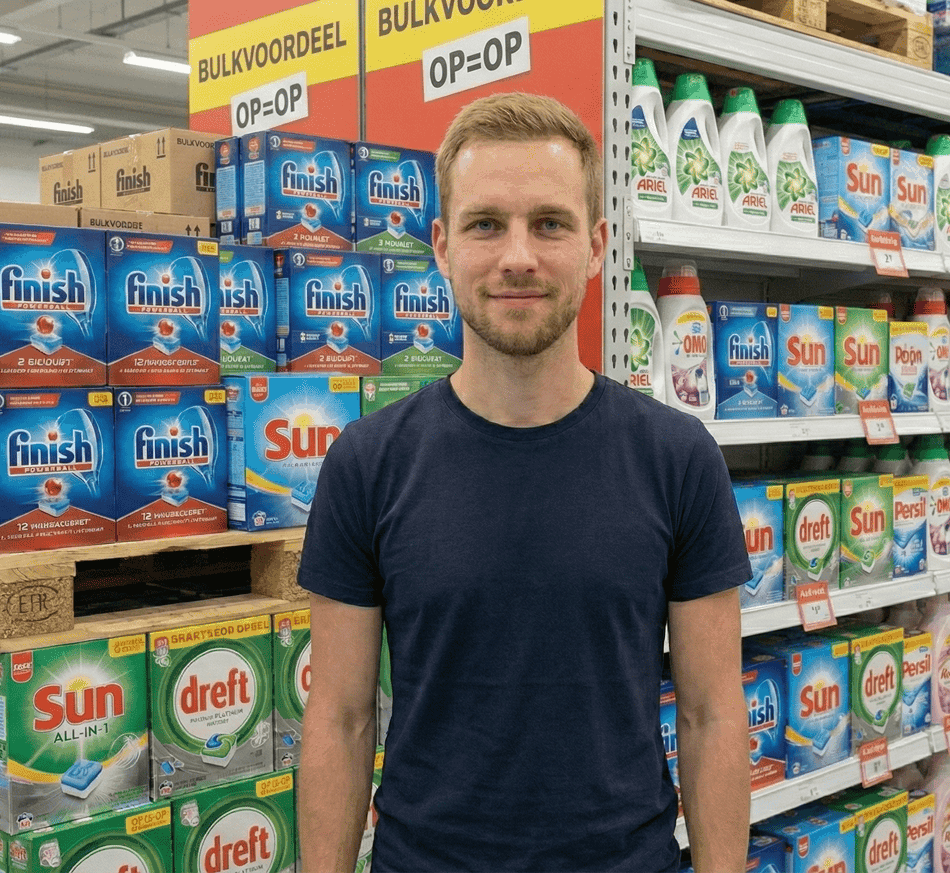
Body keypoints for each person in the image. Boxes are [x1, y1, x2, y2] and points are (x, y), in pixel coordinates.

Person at [296, 91, 751, 873]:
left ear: (597, 243)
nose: (518, 256)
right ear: (440, 245)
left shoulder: (679, 458)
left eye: (549, 223)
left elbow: (712, 715)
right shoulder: (366, 465)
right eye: (485, 224)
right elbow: (338, 719)